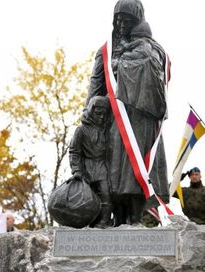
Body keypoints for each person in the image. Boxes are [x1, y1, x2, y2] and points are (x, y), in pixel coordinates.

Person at [86, 0, 169, 225]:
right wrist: (87, 114)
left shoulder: (152, 48)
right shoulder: (105, 51)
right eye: (118, 18)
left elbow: (157, 79)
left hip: (141, 118)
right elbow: (96, 85)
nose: (122, 23)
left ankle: (136, 218)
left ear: (137, 20)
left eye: (128, 19)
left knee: (136, 170)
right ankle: (118, 218)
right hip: (114, 118)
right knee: (113, 173)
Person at [69, 96, 112, 228]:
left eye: (104, 114)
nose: (101, 117)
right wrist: (77, 170)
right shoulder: (81, 130)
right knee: (87, 198)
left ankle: (104, 221)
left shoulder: (108, 130)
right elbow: (74, 151)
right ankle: (89, 222)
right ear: (91, 111)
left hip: (102, 167)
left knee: (106, 195)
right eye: (98, 113)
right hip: (86, 167)